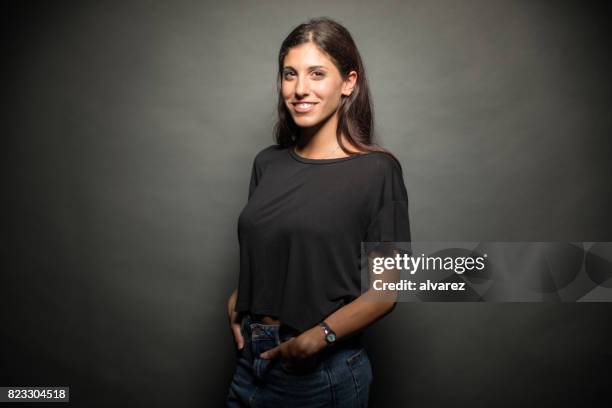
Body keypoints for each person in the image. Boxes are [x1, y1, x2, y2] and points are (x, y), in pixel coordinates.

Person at [226, 16, 411, 407]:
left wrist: (317, 338)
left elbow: (387, 289)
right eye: (289, 74)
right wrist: (240, 300)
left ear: (349, 82)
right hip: (249, 366)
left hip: (319, 374)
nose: (300, 89)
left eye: (316, 73)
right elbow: (277, 246)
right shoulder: (267, 163)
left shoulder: (376, 171)